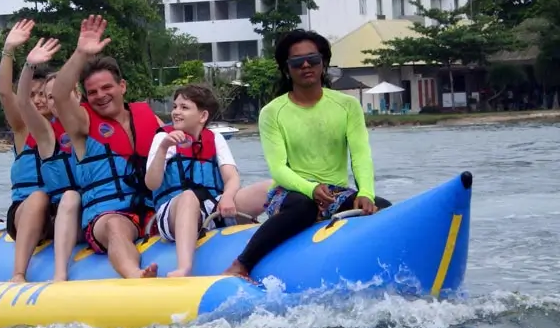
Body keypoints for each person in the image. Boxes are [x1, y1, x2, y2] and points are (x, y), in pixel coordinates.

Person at [223, 29, 393, 280]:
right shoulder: (273, 112)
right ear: (286, 68)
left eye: (312, 59)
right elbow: (278, 168)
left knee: (383, 207)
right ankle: (241, 264)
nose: (305, 65)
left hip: (334, 191)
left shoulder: (347, 106)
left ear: (323, 63)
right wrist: (311, 189)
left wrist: (365, 192)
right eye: (296, 62)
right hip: (290, 193)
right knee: (303, 207)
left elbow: (360, 154)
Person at [52, 15, 164, 279]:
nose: (100, 96)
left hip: (152, 210)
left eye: (107, 87)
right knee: (116, 226)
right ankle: (135, 276)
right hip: (107, 215)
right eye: (92, 92)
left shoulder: (149, 119)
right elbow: (59, 94)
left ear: (122, 86)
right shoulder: (82, 123)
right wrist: (81, 52)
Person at [145, 84, 271, 277]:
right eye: (175, 106)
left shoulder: (215, 138)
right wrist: (163, 148)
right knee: (188, 197)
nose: (176, 112)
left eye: (184, 107)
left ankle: (282, 240)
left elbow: (231, 177)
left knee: (270, 187)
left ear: (203, 116)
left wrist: (228, 197)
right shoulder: (164, 138)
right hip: (172, 214)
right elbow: (151, 184)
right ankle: (184, 268)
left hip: (211, 210)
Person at [14, 34, 84, 282]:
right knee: (59, 196)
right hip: (61, 215)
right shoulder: (46, 135)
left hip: (99, 210)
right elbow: (22, 102)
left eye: (63, 94)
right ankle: (20, 273)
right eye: (51, 97)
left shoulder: (97, 127)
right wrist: (29, 65)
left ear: (77, 94)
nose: (57, 101)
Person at [0, 19, 54, 282]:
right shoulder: (24, 129)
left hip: (62, 210)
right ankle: (19, 273)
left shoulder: (70, 130)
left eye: (44, 94)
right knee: (40, 197)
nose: (39, 99)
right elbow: (5, 94)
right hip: (25, 210)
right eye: (32, 95)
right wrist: (9, 50)